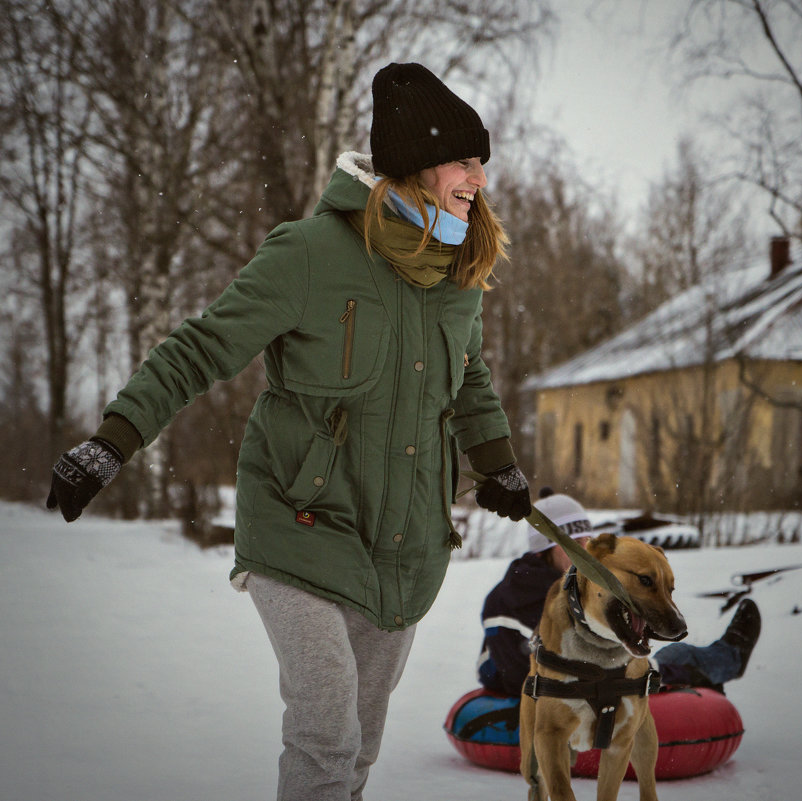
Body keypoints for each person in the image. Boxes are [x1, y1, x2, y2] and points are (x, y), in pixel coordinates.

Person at [46, 62, 532, 801]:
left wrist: (494, 463)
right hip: (298, 521)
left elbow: (467, 377)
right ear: (412, 165)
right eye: (464, 162)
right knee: (326, 731)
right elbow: (201, 347)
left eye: (481, 163)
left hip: (401, 544)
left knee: (359, 745)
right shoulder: (310, 252)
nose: (480, 179)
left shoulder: (455, 269)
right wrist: (113, 439)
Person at [477, 492, 761, 697]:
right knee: (678, 656)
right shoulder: (541, 596)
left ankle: (708, 670)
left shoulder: (524, 585)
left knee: (655, 658)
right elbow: (543, 672)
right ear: (544, 547)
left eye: (586, 540)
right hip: (562, 691)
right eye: (572, 543)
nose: (583, 550)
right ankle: (729, 658)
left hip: (538, 682)